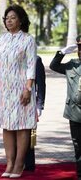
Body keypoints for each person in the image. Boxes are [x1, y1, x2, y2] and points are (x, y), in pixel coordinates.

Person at [0, 4, 37, 178]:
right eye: (7, 18)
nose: (9, 21)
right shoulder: (1, 39)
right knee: (7, 126)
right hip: (3, 88)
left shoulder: (28, 39)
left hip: (21, 88)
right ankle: (9, 163)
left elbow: (31, 66)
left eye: (13, 18)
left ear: (21, 20)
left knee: (22, 126)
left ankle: (19, 164)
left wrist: (28, 88)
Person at [49, 35, 81, 179]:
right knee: (78, 147)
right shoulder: (72, 65)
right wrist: (62, 52)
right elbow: (53, 66)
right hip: (74, 113)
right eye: (79, 48)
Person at [24, 55, 46, 171]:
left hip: (30, 102)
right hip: (13, 103)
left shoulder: (36, 59)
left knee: (29, 134)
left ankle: (29, 164)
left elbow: (41, 84)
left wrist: (40, 105)